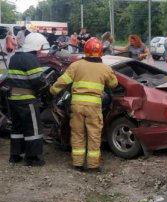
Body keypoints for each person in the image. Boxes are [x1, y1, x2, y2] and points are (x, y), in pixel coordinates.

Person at [50, 37, 118, 172]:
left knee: (77, 134)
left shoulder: (76, 65)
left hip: (77, 106)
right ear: (100, 52)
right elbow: (114, 84)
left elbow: (62, 82)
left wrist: (52, 90)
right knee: (94, 135)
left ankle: (78, 164)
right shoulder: (104, 68)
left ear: (85, 51)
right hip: (93, 107)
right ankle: (93, 166)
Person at [6, 33, 49, 166]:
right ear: (36, 46)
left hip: (13, 98)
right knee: (33, 128)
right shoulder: (30, 58)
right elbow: (37, 80)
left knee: (17, 128)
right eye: (41, 48)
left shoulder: (14, 57)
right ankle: (32, 158)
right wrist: (48, 86)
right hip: (26, 98)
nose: (41, 51)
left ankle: (15, 155)